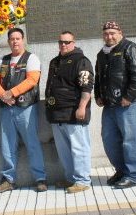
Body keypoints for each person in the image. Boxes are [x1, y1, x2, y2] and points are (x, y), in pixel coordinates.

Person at [0, 27, 47, 192]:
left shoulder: (31, 58)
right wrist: (4, 96)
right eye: (12, 39)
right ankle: (8, 180)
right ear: (8, 42)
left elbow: (32, 80)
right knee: (7, 145)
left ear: (23, 40)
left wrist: (12, 93)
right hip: (6, 108)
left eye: (17, 38)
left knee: (32, 143)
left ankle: (40, 178)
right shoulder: (3, 60)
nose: (15, 41)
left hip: (26, 107)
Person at [94, 21, 136, 189]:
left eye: (112, 33)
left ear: (120, 33)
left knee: (130, 140)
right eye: (106, 33)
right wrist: (98, 95)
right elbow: (98, 77)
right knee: (109, 139)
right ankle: (122, 171)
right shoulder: (102, 54)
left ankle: (132, 175)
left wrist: (129, 96)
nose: (109, 36)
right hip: (109, 104)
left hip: (129, 103)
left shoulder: (130, 48)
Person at [45, 31, 94, 193]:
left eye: (67, 42)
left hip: (74, 112)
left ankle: (83, 180)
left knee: (79, 148)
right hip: (56, 113)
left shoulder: (81, 61)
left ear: (74, 43)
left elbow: (86, 87)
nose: (63, 45)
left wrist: (82, 107)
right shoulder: (54, 62)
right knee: (64, 150)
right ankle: (71, 178)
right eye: (61, 42)